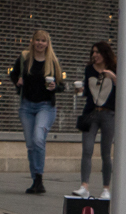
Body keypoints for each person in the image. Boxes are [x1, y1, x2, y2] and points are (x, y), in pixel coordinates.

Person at [9, 30, 63, 194]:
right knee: (31, 144)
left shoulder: (52, 61)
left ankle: (39, 177)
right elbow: (13, 74)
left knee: (38, 138)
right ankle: (35, 181)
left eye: (43, 41)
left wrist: (55, 87)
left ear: (47, 43)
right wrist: (17, 81)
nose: (40, 43)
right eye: (37, 40)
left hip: (45, 106)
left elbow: (62, 85)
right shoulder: (25, 58)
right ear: (32, 42)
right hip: (26, 106)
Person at [73, 41, 116, 200]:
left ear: (105, 54)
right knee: (87, 149)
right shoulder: (89, 69)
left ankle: (106, 188)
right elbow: (90, 93)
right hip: (91, 113)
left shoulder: (115, 69)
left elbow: (124, 89)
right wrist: (81, 90)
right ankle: (84, 186)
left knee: (106, 152)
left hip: (108, 114)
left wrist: (113, 77)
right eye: (93, 52)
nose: (94, 55)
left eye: (97, 52)